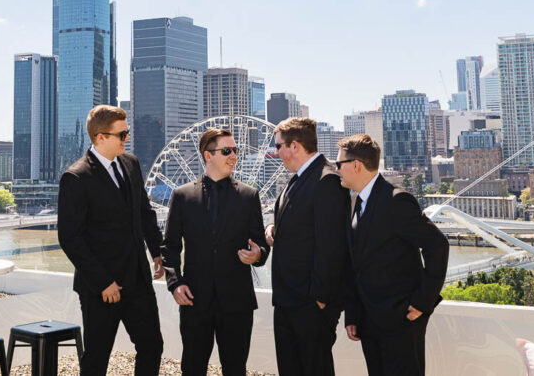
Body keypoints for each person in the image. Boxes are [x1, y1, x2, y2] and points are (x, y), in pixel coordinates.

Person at [57, 105, 165, 376]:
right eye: (122, 134)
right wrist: (103, 282)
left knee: (152, 346)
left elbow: (144, 212)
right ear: (100, 137)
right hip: (101, 288)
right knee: (97, 357)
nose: (126, 139)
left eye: (126, 133)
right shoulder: (76, 177)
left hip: (138, 278)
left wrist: (157, 252)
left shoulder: (131, 163)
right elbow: (70, 238)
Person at [336, 133, 449, 376]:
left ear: (356, 165)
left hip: (401, 321)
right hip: (369, 321)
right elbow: (357, 265)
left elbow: (437, 246)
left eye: (339, 164)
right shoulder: (356, 203)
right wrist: (353, 315)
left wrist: (422, 302)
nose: (337, 170)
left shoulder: (396, 200)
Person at [162, 128, 270, 375]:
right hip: (194, 300)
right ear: (207, 155)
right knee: (192, 367)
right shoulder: (182, 195)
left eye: (235, 150)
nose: (234, 156)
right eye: (227, 151)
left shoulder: (249, 195)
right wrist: (175, 283)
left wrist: (258, 255)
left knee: (235, 368)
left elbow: (261, 245)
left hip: (237, 302)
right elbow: (169, 247)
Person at [265, 117, 348, 376]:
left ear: (295, 146)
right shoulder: (298, 179)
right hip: (289, 299)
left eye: (278, 147)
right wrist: (273, 227)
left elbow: (332, 246)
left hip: (309, 304)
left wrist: (320, 299)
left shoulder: (327, 180)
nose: (275, 152)